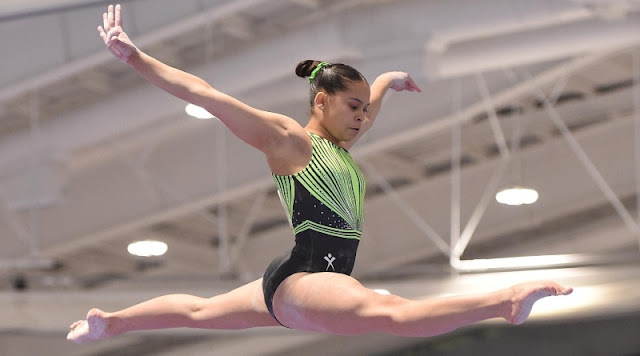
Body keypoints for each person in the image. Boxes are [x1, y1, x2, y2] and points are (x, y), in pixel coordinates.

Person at [67, 4, 572, 343]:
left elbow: (366, 112)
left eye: (362, 108)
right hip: (308, 276)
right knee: (389, 311)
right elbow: (206, 95)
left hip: (302, 275)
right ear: (320, 100)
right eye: (351, 105)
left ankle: (110, 325)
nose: (361, 116)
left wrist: (389, 82)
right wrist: (134, 58)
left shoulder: (340, 144)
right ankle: (503, 301)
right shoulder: (290, 140)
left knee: (201, 312)